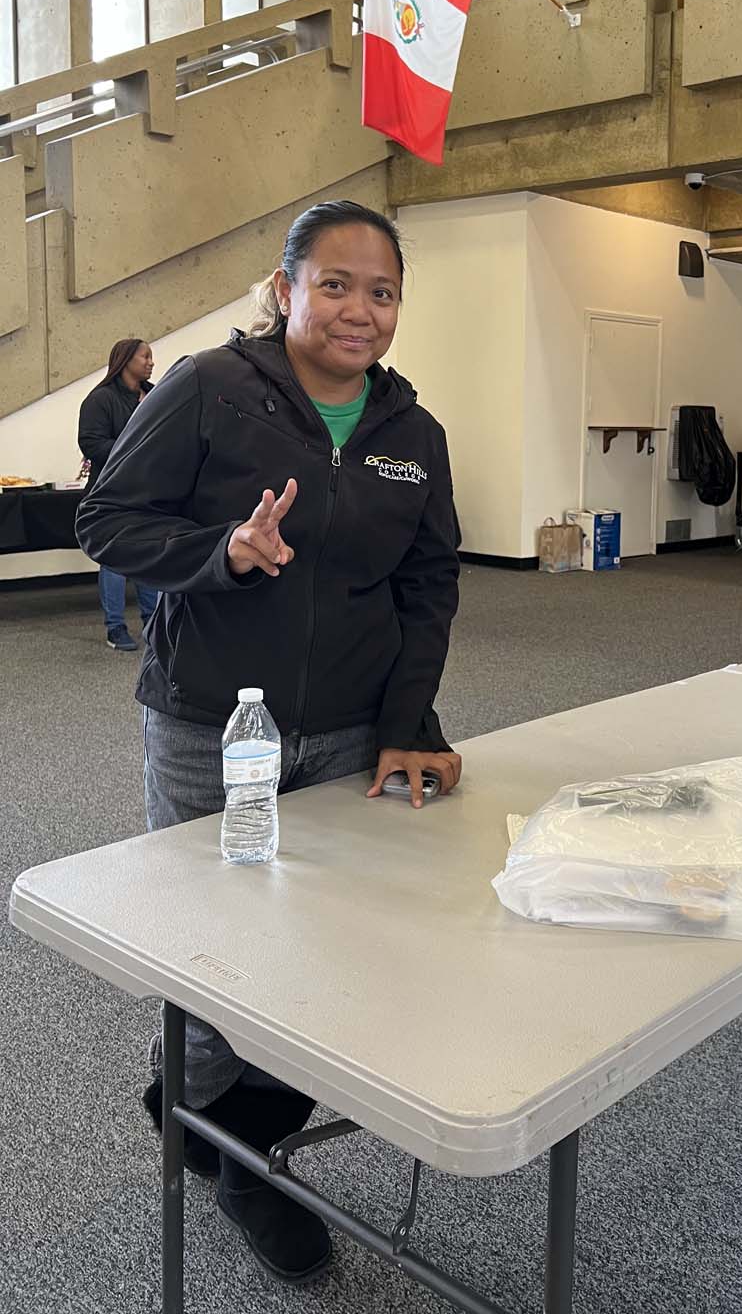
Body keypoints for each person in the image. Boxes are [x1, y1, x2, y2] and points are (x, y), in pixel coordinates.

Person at [76, 199, 461, 1286]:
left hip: (345, 734)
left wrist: (407, 722)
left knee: (319, 955)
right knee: (213, 939)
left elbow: (429, 585)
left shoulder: (411, 436)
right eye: (334, 283)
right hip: (212, 722)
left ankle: (242, 1149)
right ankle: (198, 1101)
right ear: (285, 288)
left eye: (380, 290)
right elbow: (107, 522)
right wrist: (224, 553)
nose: (358, 308)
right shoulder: (208, 388)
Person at [77, 337, 159, 650]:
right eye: (145, 357)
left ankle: (153, 622)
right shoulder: (100, 399)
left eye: (151, 357)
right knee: (114, 560)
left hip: (150, 490)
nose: (151, 362)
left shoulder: (155, 395)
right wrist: (135, 449)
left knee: (149, 554)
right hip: (111, 491)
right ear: (125, 360)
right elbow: (91, 443)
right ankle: (115, 627)